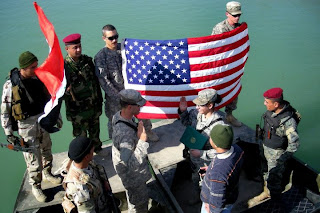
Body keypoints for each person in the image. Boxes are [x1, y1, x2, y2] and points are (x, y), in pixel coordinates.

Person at [1, 51, 61, 202]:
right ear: (24, 68)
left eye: (36, 65)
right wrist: (8, 133)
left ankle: (48, 173)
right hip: (26, 125)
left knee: (47, 150)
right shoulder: (11, 85)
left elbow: (51, 99)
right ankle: (36, 186)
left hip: (42, 119)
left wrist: (56, 117)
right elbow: (5, 111)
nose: (37, 68)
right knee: (33, 159)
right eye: (33, 66)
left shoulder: (39, 78)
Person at [94, 24, 159, 142]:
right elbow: (104, 81)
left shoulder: (125, 48)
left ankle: (147, 132)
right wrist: (119, 97)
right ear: (104, 38)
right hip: (116, 97)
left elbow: (140, 62)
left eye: (116, 36)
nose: (114, 40)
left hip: (133, 92)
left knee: (142, 114)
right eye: (110, 38)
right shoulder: (100, 57)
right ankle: (117, 142)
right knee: (116, 120)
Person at [248, 88, 300, 206]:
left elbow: (294, 144)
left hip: (276, 154)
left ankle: (273, 199)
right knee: (265, 171)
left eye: (267, 102)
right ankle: (267, 190)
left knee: (274, 178)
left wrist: (282, 160)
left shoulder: (288, 121)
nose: (264, 104)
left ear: (276, 104)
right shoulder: (272, 112)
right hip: (266, 147)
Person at [178, 89, 225, 204]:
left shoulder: (219, 126)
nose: (197, 107)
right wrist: (183, 111)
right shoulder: (195, 113)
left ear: (210, 105)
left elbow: (223, 151)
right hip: (194, 158)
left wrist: (202, 154)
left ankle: (208, 203)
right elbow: (186, 123)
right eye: (197, 104)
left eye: (200, 104)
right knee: (195, 178)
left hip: (207, 163)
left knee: (208, 184)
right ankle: (197, 196)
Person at [112, 89, 151, 212]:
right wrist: (142, 141)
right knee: (138, 205)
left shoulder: (119, 116)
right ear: (129, 107)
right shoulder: (125, 136)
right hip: (133, 178)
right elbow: (129, 164)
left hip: (131, 176)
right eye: (138, 105)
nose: (141, 107)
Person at [63, 33, 103, 152]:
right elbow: (59, 93)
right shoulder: (64, 67)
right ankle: (84, 157)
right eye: (75, 47)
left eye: (79, 46)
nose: (78, 50)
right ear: (67, 49)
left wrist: (99, 100)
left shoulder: (87, 61)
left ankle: (97, 150)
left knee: (95, 132)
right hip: (78, 111)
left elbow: (95, 82)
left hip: (93, 106)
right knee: (81, 138)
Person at [211, 1, 243, 127]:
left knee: (234, 88)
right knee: (216, 92)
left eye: (238, 15)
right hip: (220, 67)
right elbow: (214, 49)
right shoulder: (220, 28)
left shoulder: (240, 27)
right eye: (234, 15)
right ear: (227, 14)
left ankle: (229, 115)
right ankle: (212, 116)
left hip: (233, 65)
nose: (237, 17)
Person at [200, 124, 244, 213]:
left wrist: (212, 210)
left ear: (215, 144)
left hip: (215, 206)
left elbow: (217, 200)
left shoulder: (218, 174)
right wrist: (210, 170)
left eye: (211, 137)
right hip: (231, 195)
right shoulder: (237, 149)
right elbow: (227, 170)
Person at [62, 136, 112, 213]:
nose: (93, 152)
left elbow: (98, 169)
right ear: (87, 156)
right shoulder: (80, 189)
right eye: (92, 151)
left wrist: (105, 182)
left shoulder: (86, 163)